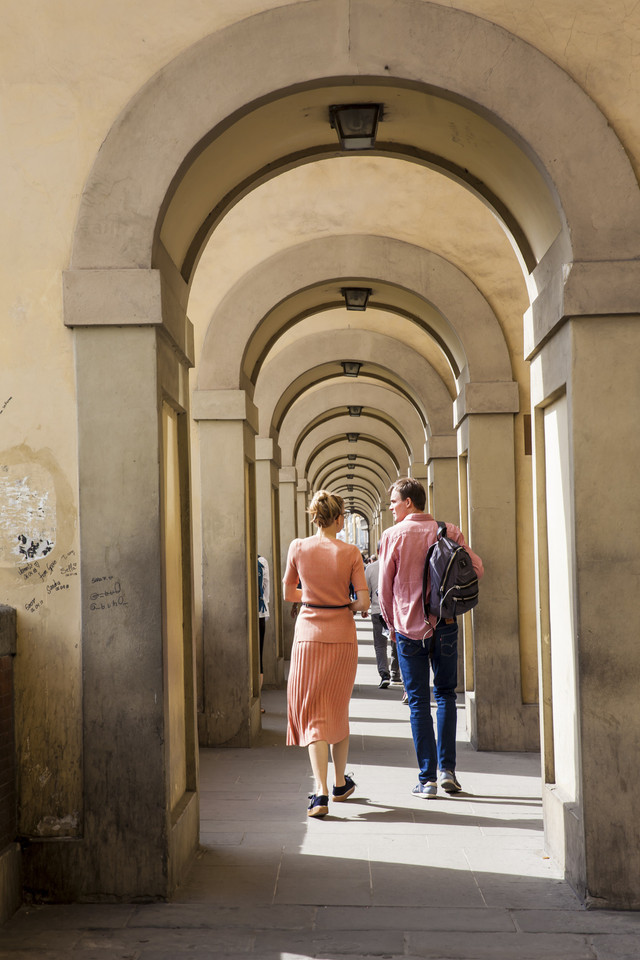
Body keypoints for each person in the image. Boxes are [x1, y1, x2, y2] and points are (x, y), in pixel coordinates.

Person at [378, 477, 483, 799]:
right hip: (446, 623)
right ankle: (448, 770)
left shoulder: (393, 535)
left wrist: (391, 626)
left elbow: (384, 588)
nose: (391, 507)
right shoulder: (449, 531)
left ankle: (427, 780)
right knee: (447, 696)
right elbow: (476, 568)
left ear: (409, 501)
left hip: (409, 629)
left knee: (419, 704)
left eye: (394, 501)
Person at [283, 490, 369, 818]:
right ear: (337, 519)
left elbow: (289, 591)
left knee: (314, 713)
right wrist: (342, 601)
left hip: (308, 635)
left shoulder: (298, 547)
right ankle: (339, 782)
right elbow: (362, 602)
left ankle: (319, 792)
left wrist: (314, 594)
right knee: (337, 708)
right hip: (341, 635)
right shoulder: (350, 553)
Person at [364, 548, 400, 688]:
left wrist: (364, 608)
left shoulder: (371, 568)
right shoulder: (397, 565)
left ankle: (384, 673)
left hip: (377, 610)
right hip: (394, 611)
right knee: (396, 642)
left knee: (380, 644)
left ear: (378, 551)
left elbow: (366, 589)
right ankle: (394, 672)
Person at [257, 554, 270, 712]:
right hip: (259, 613)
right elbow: (266, 591)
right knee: (258, 656)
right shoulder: (261, 561)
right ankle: (257, 701)